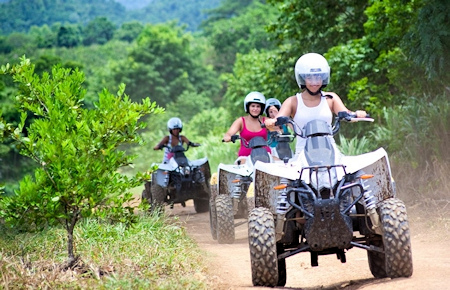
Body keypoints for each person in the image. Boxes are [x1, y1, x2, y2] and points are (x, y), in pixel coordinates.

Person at [264, 52, 367, 154]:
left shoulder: (331, 98)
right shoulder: (292, 101)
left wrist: (357, 114)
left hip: (330, 151)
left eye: (318, 77)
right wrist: (271, 123)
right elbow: (277, 120)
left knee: (359, 170)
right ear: (303, 78)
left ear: (324, 78)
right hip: (302, 155)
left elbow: (346, 114)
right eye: (310, 77)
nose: (315, 81)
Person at [223, 91, 271, 163]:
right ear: (248, 107)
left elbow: (278, 130)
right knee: (237, 168)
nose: (255, 109)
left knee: (281, 164)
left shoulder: (266, 121)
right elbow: (228, 134)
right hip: (245, 157)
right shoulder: (241, 121)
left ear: (262, 108)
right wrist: (229, 137)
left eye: (258, 106)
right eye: (253, 106)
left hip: (265, 156)